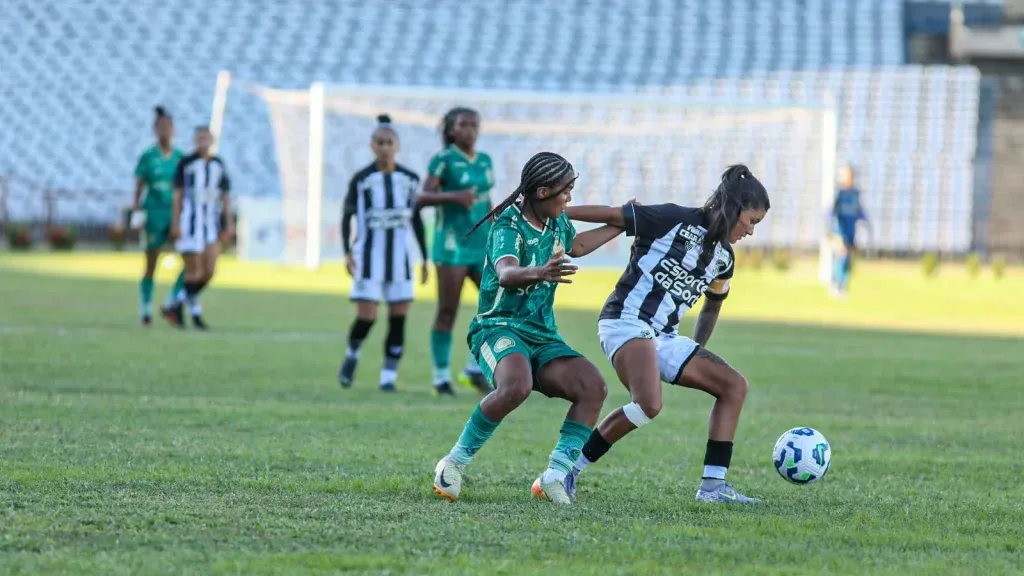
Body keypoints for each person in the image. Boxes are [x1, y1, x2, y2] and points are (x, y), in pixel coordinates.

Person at [561, 164, 770, 504]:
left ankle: (713, 488)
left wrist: (695, 351)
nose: (751, 231)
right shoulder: (673, 218)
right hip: (625, 320)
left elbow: (713, 303)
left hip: (665, 337)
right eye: (752, 221)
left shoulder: (724, 259)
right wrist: (559, 211)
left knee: (734, 386)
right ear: (734, 209)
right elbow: (614, 215)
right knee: (648, 405)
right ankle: (569, 468)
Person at [431, 151, 625, 505]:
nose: (569, 198)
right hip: (497, 327)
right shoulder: (507, 225)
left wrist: (623, 224)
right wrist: (541, 272)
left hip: (542, 334)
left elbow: (577, 245)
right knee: (515, 386)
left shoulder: (556, 223)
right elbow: (506, 273)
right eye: (565, 190)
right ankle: (453, 463)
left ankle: (554, 476)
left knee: (593, 386)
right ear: (541, 192)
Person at [338, 114, 429, 392]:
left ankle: (388, 377)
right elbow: (346, 216)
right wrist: (347, 252)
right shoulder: (362, 180)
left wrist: (425, 258)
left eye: (389, 142)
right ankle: (352, 353)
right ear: (372, 146)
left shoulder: (410, 179)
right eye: (380, 142)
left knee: (398, 317)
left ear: (397, 146)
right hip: (368, 258)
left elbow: (416, 219)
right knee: (367, 316)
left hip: (400, 261)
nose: (385, 147)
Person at [416, 107, 494, 396]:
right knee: (448, 310)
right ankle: (440, 378)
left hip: (482, 243)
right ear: (451, 129)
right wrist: (454, 196)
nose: (470, 129)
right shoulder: (444, 160)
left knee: (498, 305)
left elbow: (486, 201)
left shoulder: (485, 160)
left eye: (475, 124)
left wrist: (500, 229)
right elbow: (422, 197)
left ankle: (474, 368)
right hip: (451, 246)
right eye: (463, 124)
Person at [168, 126, 234, 330]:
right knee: (194, 272)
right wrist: (176, 223)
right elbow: (177, 196)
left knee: (209, 271)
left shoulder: (218, 165)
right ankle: (195, 316)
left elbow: (225, 197)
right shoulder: (186, 164)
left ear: (212, 140)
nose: (202, 141)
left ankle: (175, 304)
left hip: (211, 224)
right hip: (190, 223)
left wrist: (229, 223)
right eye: (199, 138)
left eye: (206, 138)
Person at [131, 106, 186, 327]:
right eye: (160, 127)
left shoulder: (181, 157)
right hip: (154, 214)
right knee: (151, 263)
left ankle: (171, 303)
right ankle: (145, 310)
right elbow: (139, 184)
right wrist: (137, 212)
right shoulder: (148, 156)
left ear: (174, 130)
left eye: (168, 127)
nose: (165, 131)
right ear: (155, 130)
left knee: (190, 262)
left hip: (176, 216)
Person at [830, 164, 870, 299]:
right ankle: (836, 284)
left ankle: (843, 285)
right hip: (840, 231)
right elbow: (832, 212)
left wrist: (866, 220)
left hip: (851, 231)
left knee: (848, 259)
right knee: (842, 256)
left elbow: (859, 210)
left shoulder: (855, 193)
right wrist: (832, 230)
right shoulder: (840, 194)